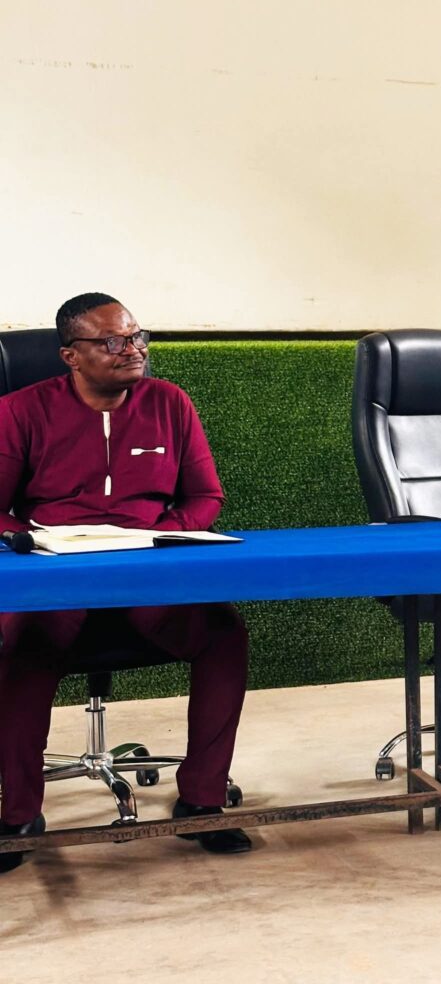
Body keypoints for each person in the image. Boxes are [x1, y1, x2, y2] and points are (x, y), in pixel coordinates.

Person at [0, 292, 252, 872]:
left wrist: (161, 540)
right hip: (58, 572)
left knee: (223, 634)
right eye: (112, 341)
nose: (132, 349)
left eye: (137, 337)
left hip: (147, 570)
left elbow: (205, 496)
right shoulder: (18, 411)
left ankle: (202, 802)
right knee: (22, 646)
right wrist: (31, 542)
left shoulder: (169, 402)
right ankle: (18, 818)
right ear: (71, 355)